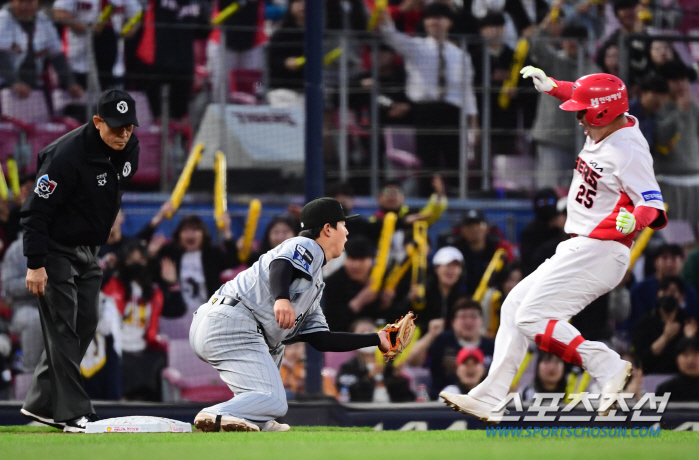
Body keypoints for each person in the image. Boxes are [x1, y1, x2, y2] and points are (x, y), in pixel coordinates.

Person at [440, 67, 668, 422]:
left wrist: (634, 219)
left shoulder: (628, 149)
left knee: (533, 316)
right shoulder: (607, 124)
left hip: (602, 248)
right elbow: (588, 97)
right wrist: (555, 88)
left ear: (604, 112)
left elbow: (653, 205)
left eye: (583, 112)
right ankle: (491, 394)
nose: (579, 119)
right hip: (582, 245)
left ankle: (607, 366)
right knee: (514, 305)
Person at [189, 198, 394, 432]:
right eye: (342, 225)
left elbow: (321, 339)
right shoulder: (307, 245)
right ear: (327, 229)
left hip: (221, 324)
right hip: (231, 321)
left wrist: (378, 339)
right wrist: (282, 299)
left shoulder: (314, 284)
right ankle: (214, 414)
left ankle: (256, 420)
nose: (347, 231)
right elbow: (281, 265)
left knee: (274, 353)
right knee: (277, 401)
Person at [19, 89, 140, 432]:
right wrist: (35, 263)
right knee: (63, 327)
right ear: (98, 122)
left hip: (89, 250)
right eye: (117, 127)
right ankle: (70, 411)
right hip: (55, 249)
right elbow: (34, 212)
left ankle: (42, 402)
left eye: (129, 126)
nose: (124, 134)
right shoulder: (65, 156)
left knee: (87, 322)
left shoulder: (130, 147)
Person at [379, 3, 478, 195]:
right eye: (430, 18)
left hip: (452, 111)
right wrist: (383, 13)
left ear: (449, 22)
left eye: (440, 18)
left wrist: (474, 121)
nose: (435, 22)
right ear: (424, 23)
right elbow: (390, 35)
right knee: (428, 158)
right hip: (425, 110)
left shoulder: (460, 55)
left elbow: (468, 90)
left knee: (454, 158)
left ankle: (456, 196)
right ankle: (428, 197)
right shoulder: (416, 47)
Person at [102, 241, 166, 401]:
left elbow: (176, 310)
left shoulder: (155, 291)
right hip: (116, 349)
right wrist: (106, 268)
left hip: (143, 348)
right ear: (123, 261)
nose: (136, 264)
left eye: (140, 260)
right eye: (131, 259)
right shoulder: (111, 285)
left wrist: (171, 283)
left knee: (159, 361)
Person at [406, 298, 494, 400]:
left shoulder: (491, 346)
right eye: (463, 316)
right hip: (441, 402)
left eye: (473, 316)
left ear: (482, 321)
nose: (469, 321)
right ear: (453, 322)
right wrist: (430, 335)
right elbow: (412, 362)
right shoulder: (441, 341)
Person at [0, 0, 83, 99]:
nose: (25, 7)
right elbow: (2, 56)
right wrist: (15, 83)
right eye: (21, 2)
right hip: (5, 85)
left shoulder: (44, 21)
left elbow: (56, 55)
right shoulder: (3, 19)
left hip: (33, 85)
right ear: (13, 2)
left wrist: (70, 83)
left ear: (38, 3)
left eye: (30, 2)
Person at [654, 61, 699, 230]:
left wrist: (687, 109)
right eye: (675, 80)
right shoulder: (659, 108)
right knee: (674, 230)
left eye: (683, 79)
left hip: (694, 177)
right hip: (668, 179)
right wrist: (680, 112)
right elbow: (661, 136)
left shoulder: (693, 107)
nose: (680, 84)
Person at [335, 319, 414, 402]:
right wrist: (369, 378)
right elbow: (349, 395)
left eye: (371, 331)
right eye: (362, 331)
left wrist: (396, 378)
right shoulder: (349, 367)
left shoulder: (390, 364)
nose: (367, 335)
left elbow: (404, 397)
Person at [439, 209, 514, 295]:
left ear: (487, 228)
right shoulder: (455, 252)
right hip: (462, 298)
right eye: (469, 225)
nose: (474, 229)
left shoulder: (500, 249)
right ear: (462, 230)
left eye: (478, 224)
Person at [632, 276, 697, 374]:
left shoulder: (689, 323)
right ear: (657, 294)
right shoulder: (644, 323)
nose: (668, 295)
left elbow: (693, 360)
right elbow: (641, 359)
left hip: (679, 378)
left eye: (673, 291)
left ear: (682, 297)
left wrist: (689, 339)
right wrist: (665, 337)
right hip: (650, 377)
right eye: (665, 290)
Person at [627, 244, 699, 332]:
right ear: (655, 262)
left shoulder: (690, 292)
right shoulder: (639, 290)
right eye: (665, 258)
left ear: (682, 262)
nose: (669, 263)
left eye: (674, 258)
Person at [322, 236, 380, 332]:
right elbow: (330, 323)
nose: (356, 265)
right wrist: (358, 302)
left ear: (372, 261)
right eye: (352, 259)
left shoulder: (382, 280)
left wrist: (386, 302)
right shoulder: (332, 283)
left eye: (362, 259)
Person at [519, 188, 567, 276]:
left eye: (550, 201)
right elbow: (527, 263)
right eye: (542, 202)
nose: (546, 205)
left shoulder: (563, 229)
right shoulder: (529, 232)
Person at [628, 76, 669, 153]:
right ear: (643, 92)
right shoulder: (626, 113)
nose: (659, 101)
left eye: (663, 97)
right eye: (655, 95)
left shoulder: (656, 117)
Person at [656, 336, 699, 402]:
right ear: (677, 359)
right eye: (685, 355)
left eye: (696, 354)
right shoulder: (666, 389)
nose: (690, 360)